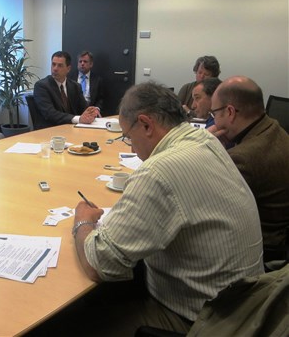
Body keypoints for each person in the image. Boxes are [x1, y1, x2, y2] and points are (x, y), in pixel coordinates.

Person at [41, 82, 263, 336]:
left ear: (146, 124)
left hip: (202, 321)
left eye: (128, 137)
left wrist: (83, 222)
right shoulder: (203, 139)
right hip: (245, 307)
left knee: (62, 326)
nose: (132, 148)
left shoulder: (160, 170)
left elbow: (99, 264)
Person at [209, 76, 289, 258]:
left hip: (258, 249)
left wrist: (203, 148)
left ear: (230, 112)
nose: (214, 123)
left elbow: (202, 203)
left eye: (214, 114)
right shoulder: (273, 127)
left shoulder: (242, 158)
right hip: (279, 239)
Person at [33, 51, 99, 129]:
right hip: (50, 130)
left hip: (71, 129)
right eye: (53, 64)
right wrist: (78, 119)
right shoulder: (41, 86)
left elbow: (83, 108)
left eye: (60, 65)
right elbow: (50, 113)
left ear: (68, 69)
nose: (55, 69)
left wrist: (91, 111)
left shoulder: (75, 86)